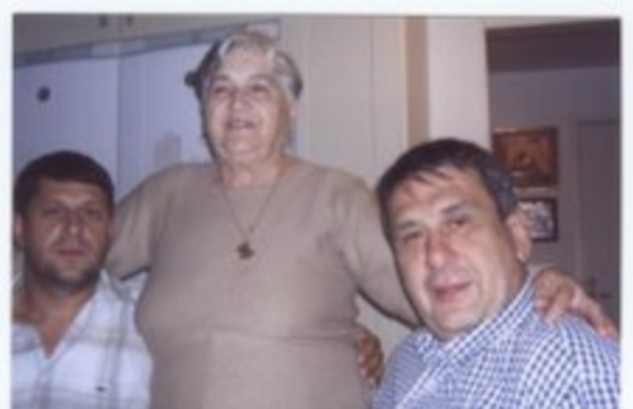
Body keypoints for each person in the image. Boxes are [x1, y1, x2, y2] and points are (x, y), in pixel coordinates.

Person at [106, 30, 614, 409]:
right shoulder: (165, 194)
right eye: (221, 89)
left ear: (291, 110)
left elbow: (439, 285)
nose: (238, 103)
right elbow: (76, 268)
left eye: (259, 88)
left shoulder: (337, 197)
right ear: (203, 108)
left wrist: (538, 277)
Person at [374, 139, 619, 408]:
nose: (435, 255)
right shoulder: (407, 361)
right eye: (412, 236)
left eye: (458, 222)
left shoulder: (572, 376)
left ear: (517, 234)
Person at [11, 151, 152, 409]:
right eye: (53, 212)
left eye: (91, 213)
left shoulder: (149, 323)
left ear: (110, 232)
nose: (74, 228)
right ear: (19, 229)